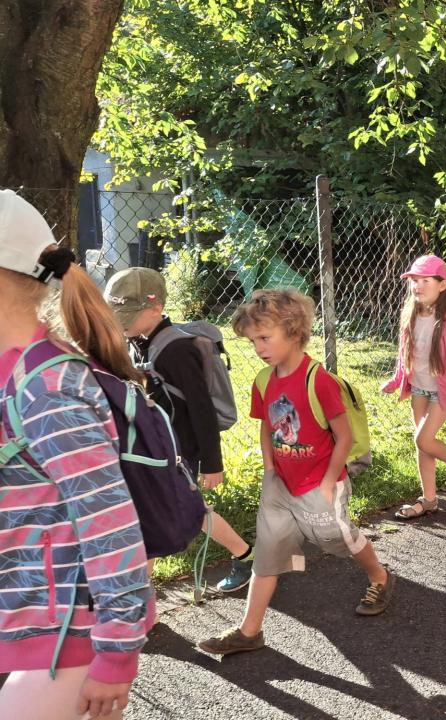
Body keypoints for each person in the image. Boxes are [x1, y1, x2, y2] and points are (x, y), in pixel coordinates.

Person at [0, 190, 155, 720]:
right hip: (27, 617)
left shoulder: (48, 389)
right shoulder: (14, 375)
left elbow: (109, 522)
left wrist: (117, 652)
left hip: (68, 631)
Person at [199, 289, 394, 656]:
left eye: (265, 338)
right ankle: (250, 631)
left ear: (293, 331)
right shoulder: (264, 379)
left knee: (339, 539)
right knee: (268, 551)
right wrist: (270, 470)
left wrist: (327, 483)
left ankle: (379, 576)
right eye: (253, 340)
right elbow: (266, 426)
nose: (258, 348)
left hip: (320, 483)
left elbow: (344, 435)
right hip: (281, 482)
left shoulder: (318, 380)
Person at [102, 267, 254, 594]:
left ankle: (245, 556)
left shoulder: (177, 350)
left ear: (155, 308)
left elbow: (201, 409)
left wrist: (212, 464)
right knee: (163, 511)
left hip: (181, 448)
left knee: (186, 512)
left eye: (128, 315)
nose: (121, 323)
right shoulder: (138, 340)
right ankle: (143, 593)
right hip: (155, 447)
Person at [382, 255, 446, 515]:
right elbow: (404, 352)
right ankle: (429, 499)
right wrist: (397, 379)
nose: (418, 286)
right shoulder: (410, 313)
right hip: (419, 387)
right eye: (414, 280)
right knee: (422, 443)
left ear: (442, 285)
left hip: (442, 390)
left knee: (423, 439)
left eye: (425, 281)